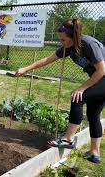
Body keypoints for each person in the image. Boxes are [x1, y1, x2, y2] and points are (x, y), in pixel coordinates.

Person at [15, 19, 105, 163]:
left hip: (102, 77)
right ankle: (94, 153)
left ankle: (67, 139)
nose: (61, 42)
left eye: (63, 39)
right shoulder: (68, 47)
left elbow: (101, 71)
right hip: (99, 80)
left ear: (72, 37)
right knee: (93, 115)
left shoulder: (88, 44)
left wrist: (81, 88)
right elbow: (47, 59)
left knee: (77, 97)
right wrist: (26, 69)